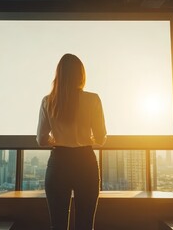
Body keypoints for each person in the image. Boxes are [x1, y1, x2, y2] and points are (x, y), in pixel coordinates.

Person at [37, 53, 107, 230]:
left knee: (58, 225)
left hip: (59, 163)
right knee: (85, 224)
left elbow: (41, 139)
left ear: (59, 74)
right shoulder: (93, 99)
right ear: (81, 74)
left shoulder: (48, 101)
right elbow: (100, 138)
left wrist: (56, 139)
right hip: (85, 162)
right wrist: (86, 138)